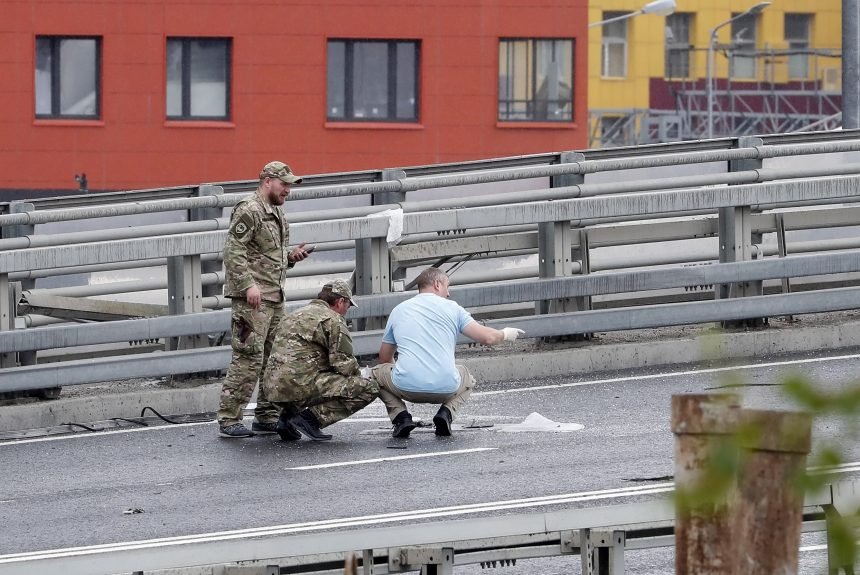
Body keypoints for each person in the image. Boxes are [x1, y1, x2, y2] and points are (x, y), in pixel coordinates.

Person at [217, 161, 311, 438]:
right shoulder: (250, 210)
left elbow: (267, 256)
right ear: (268, 181)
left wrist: (291, 258)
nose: (288, 191)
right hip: (253, 300)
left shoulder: (277, 214)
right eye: (284, 184)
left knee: (274, 359)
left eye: (290, 185)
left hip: (274, 296)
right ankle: (229, 418)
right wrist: (247, 285)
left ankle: (266, 416)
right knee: (248, 358)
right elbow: (233, 251)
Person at [374, 267, 525, 438]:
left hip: (405, 387)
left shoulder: (399, 310)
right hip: (446, 387)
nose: (449, 293)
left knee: (375, 374)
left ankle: (401, 417)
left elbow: (384, 358)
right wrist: (505, 333)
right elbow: (488, 338)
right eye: (447, 286)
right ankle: (446, 414)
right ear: (437, 284)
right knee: (467, 376)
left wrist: (401, 377)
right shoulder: (453, 309)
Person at [261, 279, 379, 441]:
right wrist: (361, 374)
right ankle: (311, 420)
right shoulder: (333, 320)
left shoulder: (293, 315)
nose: (347, 309)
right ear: (340, 301)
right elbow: (343, 364)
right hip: (299, 386)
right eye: (348, 305)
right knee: (369, 387)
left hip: (271, 388)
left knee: (306, 372)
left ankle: (286, 420)